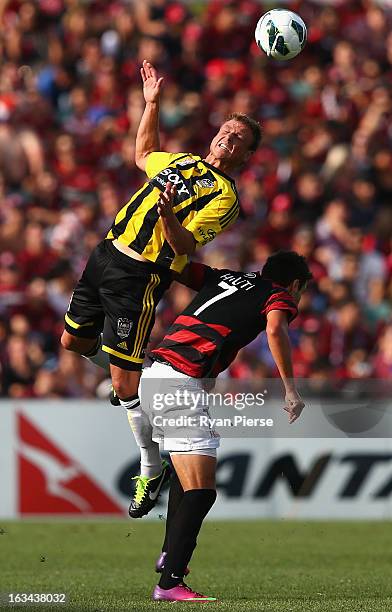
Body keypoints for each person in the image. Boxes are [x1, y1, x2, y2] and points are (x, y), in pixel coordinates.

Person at [60, 60, 261, 496]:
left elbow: (186, 245)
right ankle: (135, 367)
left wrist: (168, 215)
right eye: (226, 130)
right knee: (72, 342)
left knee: (121, 383)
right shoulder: (183, 161)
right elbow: (143, 155)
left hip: (140, 276)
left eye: (239, 139)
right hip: (106, 254)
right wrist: (151, 104)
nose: (228, 138)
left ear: (245, 157)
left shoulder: (224, 197)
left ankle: (151, 471)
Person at [135, 245, 311, 601]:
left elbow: (184, 269)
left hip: (155, 375)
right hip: (178, 382)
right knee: (202, 491)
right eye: (301, 290)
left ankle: (170, 556)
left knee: (187, 482)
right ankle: (169, 584)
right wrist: (290, 389)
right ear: (294, 285)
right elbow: (276, 331)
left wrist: (169, 225)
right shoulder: (278, 297)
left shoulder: (225, 276)